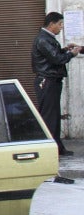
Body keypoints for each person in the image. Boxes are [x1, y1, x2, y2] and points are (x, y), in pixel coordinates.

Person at [32, 12, 80, 156]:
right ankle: (49, 149)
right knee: (49, 117)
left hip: (52, 81)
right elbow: (56, 59)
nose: (61, 27)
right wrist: (72, 54)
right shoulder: (43, 39)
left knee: (54, 116)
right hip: (47, 81)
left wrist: (64, 50)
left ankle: (57, 147)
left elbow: (53, 55)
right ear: (51, 24)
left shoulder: (47, 38)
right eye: (59, 24)